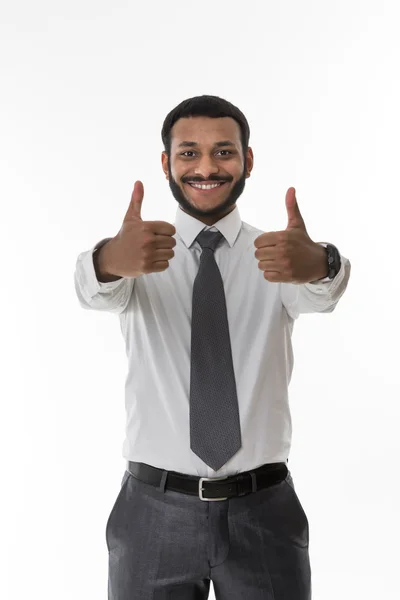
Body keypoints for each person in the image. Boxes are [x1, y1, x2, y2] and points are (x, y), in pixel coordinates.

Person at [74, 94, 351, 600]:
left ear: (248, 159)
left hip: (264, 509)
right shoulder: (137, 260)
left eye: (224, 152)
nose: (206, 167)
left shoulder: (277, 257)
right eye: (188, 153)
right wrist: (110, 256)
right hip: (153, 511)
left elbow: (323, 292)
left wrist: (323, 262)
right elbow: (91, 286)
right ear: (166, 163)